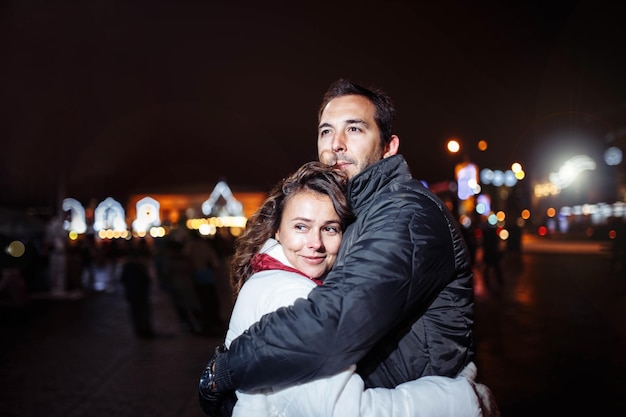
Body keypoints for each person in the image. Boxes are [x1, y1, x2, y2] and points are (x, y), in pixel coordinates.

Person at [200, 79, 498, 415]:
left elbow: (333, 321)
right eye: (326, 131)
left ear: (389, 146)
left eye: (354, 129)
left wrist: (224, 370)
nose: (336, 144)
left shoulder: (405, 211)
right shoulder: (355, 213)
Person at [212, 161, 487, 417]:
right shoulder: (290, 294)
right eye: (301, 227)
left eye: (329, 229)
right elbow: (349, 412)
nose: (315, 243)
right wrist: (464, 399)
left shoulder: (269, 275)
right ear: (277, 231)